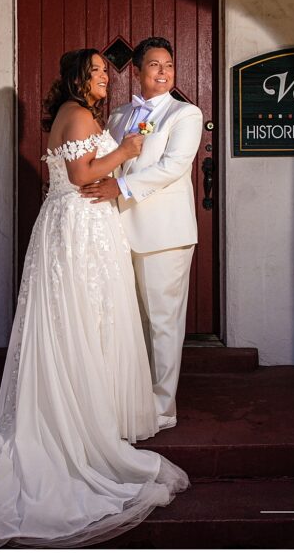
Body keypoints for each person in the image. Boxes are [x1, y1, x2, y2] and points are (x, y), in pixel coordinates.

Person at [0, 48, 189, 548]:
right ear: (79, 77)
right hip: (79, 226)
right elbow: (81, 176)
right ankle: (74, 422)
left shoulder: (167, 114)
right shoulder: (80, 116)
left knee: (93, 323)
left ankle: (100, 410)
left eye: (106, 70)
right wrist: (125, 154)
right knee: (77, 323)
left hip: (101, 225)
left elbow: (155, 167)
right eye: (97, 71)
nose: (105, 77)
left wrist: (118, 166)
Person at [80, 37, 203, 430]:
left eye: (168, 64)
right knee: (128, 323)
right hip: (116, 231)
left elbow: (173, 166)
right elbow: (106, 164)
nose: (164, 71)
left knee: (163, 324)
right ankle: (131, 401)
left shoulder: (185, 114)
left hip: (163, 235)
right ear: (137, 70)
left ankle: (163, 408)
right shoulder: (117, 115)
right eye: (154, 65)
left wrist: (121, 188)